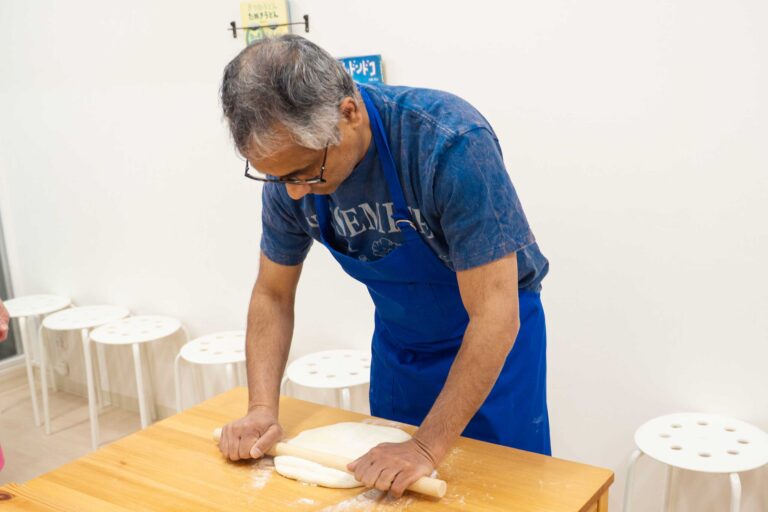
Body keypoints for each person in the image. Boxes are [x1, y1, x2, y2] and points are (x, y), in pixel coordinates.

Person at [217, 35, 550, 497]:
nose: (292, 193)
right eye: (277, 178)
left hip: (492, 347)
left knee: (499, 494)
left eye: (306, 173)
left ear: (348, 113)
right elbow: (272, 294)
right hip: (401, 350)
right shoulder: (290, 173)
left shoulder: (449, 144)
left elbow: (495, 313)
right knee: (389, 495)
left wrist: (428, 448)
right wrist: (260, 408)